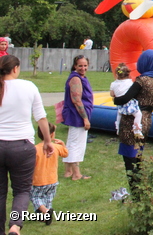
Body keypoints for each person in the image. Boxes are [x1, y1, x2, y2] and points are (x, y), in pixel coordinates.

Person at [0, 55, 54, 235]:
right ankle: (15, 225)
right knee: (22, 191)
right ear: (15, 68)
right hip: (22, 147)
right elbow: (41, 118)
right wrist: (47, 141)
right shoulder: (28, 86)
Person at [113, 50, 153, 199]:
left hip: (131, 122)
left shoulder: (141, 81)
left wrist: (115, 99)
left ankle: (136, 193)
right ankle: (142, 188)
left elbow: (125, 98)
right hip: (147, 120)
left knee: (129, 158)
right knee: (138, 154)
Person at [61, 55, 94, 181]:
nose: (83, 68)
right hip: (77, 115)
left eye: (85, 65)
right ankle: (76, 174)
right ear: (75, 66)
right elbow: (76, 100)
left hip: (76, 114)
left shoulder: (80, 77)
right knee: (77, 144)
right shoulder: (75, 79)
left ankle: (68, 171)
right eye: (80, 65)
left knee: (71, 141)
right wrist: (85, 118)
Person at [30, 122, 67, 225]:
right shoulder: (56, 147)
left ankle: (45, 212)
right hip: (52, 180)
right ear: (51, 134)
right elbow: (65, 153)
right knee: (48, 199)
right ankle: (46, 214)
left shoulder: (35, 149)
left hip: (38, 180)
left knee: (35, 197)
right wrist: (62, 144)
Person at [109, 63, 142, 136]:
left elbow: (112, 94)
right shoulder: (130, 82)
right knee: (138, 115)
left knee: (119, 115)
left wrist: (116, 93)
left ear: (117, 75)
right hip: (130, 104)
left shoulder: (113, 84)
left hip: (120, 105)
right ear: (128, 74)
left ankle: (118, 128)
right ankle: (136, 129)